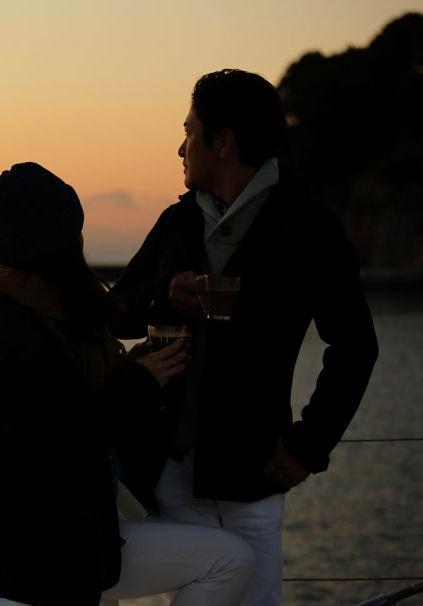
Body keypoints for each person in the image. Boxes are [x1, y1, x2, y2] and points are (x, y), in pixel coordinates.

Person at [0, 161, 253, 606]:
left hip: (27, 542)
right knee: (230, 560)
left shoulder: (8, 314)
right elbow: (65, 454)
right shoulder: (16, 342)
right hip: (39, 555)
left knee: (223, 558)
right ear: (57, 247)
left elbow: (55, 419)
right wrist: (137, 383)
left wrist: (128, 370)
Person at [110, 69, 379, 606]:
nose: (180, 148)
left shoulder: (308, 227)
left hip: (256, 472)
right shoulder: (178, 223)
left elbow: (355, 345)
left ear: (223, 141)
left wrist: (308, 445)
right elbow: (116, 313)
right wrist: (164, 293)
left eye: (189, 132)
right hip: (171, 472)